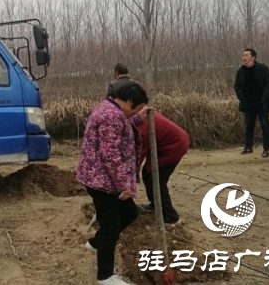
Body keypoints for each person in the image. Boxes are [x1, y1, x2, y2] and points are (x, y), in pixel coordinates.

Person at [76, 81, 149, 285]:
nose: (135, 111)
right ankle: (105, 276)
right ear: (129, 101)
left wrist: (138, 118)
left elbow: (122, 126)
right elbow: (110, 155)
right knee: (111, 225)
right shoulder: (111, 116)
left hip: (101, 177)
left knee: (130, 213)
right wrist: (124, 185)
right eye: (136, 108)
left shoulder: (111, 109)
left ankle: (95, 243)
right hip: (102, 181)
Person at [137, 111, 189, 228]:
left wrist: (132, 173)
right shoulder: (140, 113)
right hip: (164, 145)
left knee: (158, 181)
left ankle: (172, 218)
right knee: (147, 174)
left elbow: (139, 152)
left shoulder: (142, 123)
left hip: (174, 146)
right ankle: (155, 205)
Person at [233, 48, 269, 158]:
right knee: (249, 125)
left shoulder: (262, 69)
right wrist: (242, 99)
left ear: (253, 57)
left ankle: (266, 149)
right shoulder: (240, 71)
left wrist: (264, 97)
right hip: (248, 103)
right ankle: (248, 147)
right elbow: (237, 86)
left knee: (265, 125)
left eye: (246, 55)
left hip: (262, 103)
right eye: (243, 55)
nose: (243, 57)